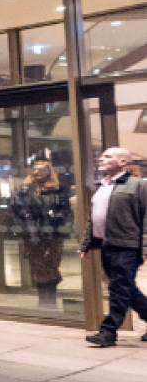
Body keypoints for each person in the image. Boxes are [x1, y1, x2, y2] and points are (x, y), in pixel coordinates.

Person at [79, 146, 147, 348]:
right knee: (126, 287)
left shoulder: (138, 186)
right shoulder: (102, 186)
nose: (101, 159)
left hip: (128, 246)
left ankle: (108, 331)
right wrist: (86, 243)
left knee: (118, 288)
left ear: (123, 162)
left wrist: (145, 246)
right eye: (102, 156)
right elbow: (94, 219)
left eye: (107, 156)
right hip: (107, 246)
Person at [10, 160, 70, 309]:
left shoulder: (58, 190)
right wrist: (26, 225)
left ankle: (51, 300)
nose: (37, 173)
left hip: (53, 234)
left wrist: (55, 218)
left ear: (49, 172)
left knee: (52, 266)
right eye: (35, 170)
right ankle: (43, 301)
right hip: (32, 235)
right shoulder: (24, 191)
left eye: (41, 170)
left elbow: (66, 211)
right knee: (38, 267)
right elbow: (16, 211)